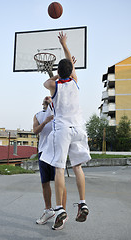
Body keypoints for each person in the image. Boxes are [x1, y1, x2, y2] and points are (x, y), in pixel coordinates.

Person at [40, 32, 91, 230]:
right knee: (78, 167)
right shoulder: (76, 82)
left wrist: (58, 73)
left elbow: (46, 83)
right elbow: (70, 66)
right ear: (71, 71)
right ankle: (83, 202)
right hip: (79, 128)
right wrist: (65, 45)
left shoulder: (54, 85)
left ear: (59, 72)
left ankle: (60, 209)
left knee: (60, 168)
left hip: (63, 130)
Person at [33, 96, 67, 225]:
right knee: (45, 182)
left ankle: (62, 213)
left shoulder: (60, 113)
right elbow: (35, 131)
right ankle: (48, 211)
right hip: (43, 151)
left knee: (60, 183)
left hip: (57, 150)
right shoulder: (37, 115)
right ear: (43, 102)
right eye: (45, 98)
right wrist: (45, 122)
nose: (47, 98)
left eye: (50, 97)